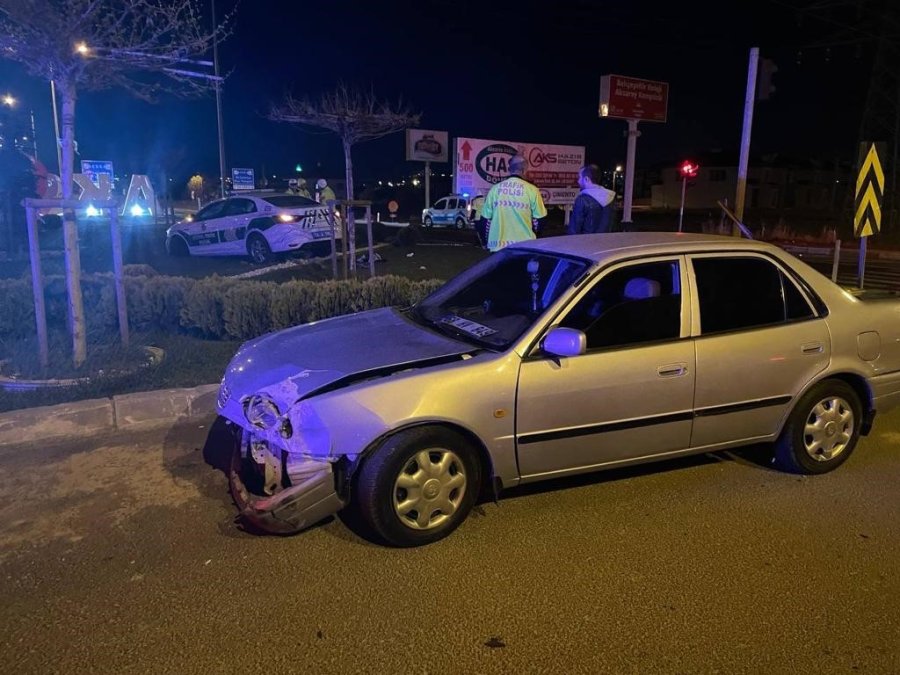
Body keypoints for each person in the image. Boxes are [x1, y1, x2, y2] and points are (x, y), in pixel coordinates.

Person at [478, 154, 547, 252]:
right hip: (524, 247)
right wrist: (535, 235)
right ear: (524, 170)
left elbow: (485, 221)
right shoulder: (532, 190)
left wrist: (485, 242)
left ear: (509, 170)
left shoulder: (495, 189)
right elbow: (540, 220)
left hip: (498, 248)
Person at [567, 164, 616, 235]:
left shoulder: (582, 199)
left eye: (580, 178)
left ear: (586, 179)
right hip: (607, 243)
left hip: (586, 243)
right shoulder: (611, 197)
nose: (578, 181)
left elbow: (574, 230)